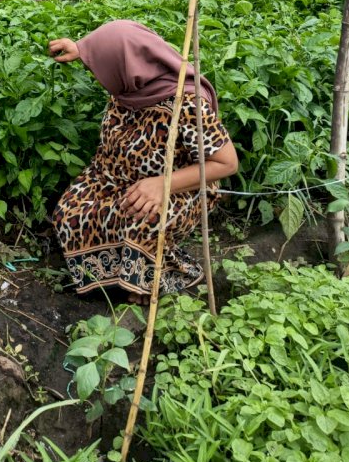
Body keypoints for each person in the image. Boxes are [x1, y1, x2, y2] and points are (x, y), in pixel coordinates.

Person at [48, 20, 238, 303]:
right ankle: (113, 274)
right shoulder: (130, 86)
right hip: (114, 175)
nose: (99, 78)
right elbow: (118, 46)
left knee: (143, 219)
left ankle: (151, 279)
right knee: (69, 213)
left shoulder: (187, 104)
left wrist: (163, 184)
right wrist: (81, 49)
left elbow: (226, 163)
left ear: (126, 67)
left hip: (178, 187)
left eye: (102, 70)